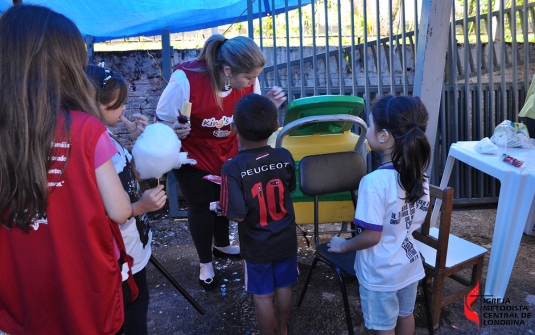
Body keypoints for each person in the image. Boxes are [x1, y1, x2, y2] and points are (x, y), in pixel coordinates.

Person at [0, 5, 133, 335]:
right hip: (83, 292)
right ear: (66, 65)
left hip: (17, 293)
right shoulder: (86, 130)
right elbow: (119, 211)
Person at [156, 34, 286, 290]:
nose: (252, 82)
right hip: (191, 152)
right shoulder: (186, 79)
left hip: (227, 150)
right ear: (228, 70)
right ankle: (206, 261)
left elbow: (247, 120)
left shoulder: (249, 81)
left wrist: (267, 105)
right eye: (248, 77)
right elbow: (162, 120)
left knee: (224, 198)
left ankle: (222, 245)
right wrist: (174, 129)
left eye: (254, 77)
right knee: (201, 204)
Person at [327, 94, 431, 335]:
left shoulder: (373, 182)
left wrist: (344, 246)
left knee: (383, 328)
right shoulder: (420, 176)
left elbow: (372, 236)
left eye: (370, 125)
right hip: (408, 264)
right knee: (406, 315)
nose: (367, 131)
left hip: (380, 273)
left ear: (383, 135)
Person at [86, 64, 167, 335]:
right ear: (94, 103)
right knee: (130, 308)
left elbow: (127, 174)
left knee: (138, 300)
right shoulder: (91, 142)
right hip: (118, 251)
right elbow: (113, 209)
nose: (124, 110)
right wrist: (142, 206)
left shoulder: (105, 135)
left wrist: (136, 142)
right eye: (118, 104)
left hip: (134, 244)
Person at [219, 94, 298, 335]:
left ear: (233, 128)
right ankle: (282, 328)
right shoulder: (284, 156)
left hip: (256, 246)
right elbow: (290, 189)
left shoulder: (232, 167)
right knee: (284, 286)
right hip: (285, 238)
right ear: (276, 126)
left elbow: (237, 215)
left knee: (263, 296)